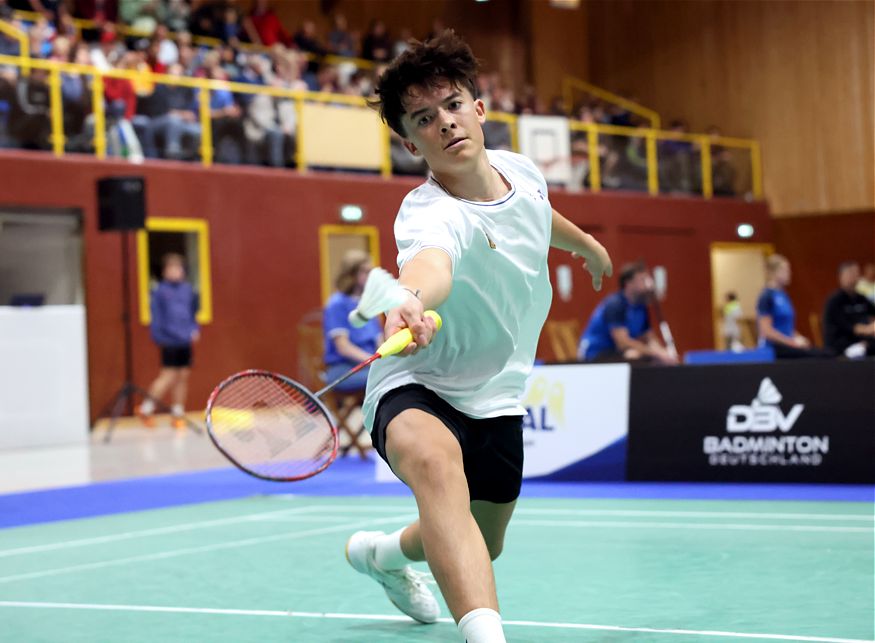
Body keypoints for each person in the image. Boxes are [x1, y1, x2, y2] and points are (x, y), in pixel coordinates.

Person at [343, 31, 612, 643]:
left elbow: (537, 213)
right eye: (423, 118)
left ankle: (384, 555)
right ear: (411, 142)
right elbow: (430, 266)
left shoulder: (520, 170)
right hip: (419, 382)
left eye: (453, 105)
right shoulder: (430, 211)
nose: (445, 123)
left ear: (478, 109)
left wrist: (586, 245)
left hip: (496, 392)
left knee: (479, 543)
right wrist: (408, 302)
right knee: (437, 470)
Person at [138, 253, 200, 429]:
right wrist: (158, 337)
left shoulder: (188, 290)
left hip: (185, 340)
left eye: (178, 268)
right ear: (165, 271)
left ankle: (178, 413)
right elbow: (156, 317)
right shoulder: (159, 291)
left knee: (183, 375)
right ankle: (146, 408)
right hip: (169, 339)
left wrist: (194, 329)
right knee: (168, 375)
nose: (175, 271)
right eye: (171, 268)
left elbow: (192, 312)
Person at [577, 261, 677, 364]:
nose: (648, 284)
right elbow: (623, 343)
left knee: (654, 359)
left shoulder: (640, 307)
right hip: (594, 354)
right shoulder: (615, 304)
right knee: (633, 355)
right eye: (642, 280)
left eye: (648, 279)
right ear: (628, 283)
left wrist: (663, 354)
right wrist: (655, 353)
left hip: (615, 354)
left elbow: (649, 337)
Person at [323, 249, 384, 392]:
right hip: (343, 369)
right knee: (384, 379)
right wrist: (373, 362)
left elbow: (379, 340)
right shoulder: (337, 303)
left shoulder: (368, 302)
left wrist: (387, 360)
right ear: (351, 274)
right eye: (365, 271)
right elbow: (343, 347)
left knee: (396, 375)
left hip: (369, 365)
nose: (371, 276)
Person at [756, 254, 825, 359]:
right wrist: (791, 342)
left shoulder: (783, 294)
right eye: (786, 270)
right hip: (775, 348)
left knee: (823, 353)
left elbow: (787, 327)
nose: (790, 274)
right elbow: (766, 331)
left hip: (788, 345)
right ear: (775, 273)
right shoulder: (767, 296)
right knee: (817, 356)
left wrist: (799, 338)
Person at [822, 261, 875, 357]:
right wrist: (868, 329)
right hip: (841, 345)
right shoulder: (835, 301)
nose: (854, 277)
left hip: (861, 341)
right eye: (850, 273)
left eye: (856, 273)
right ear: (841, 276)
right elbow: (848, 327)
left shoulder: (861, 298)